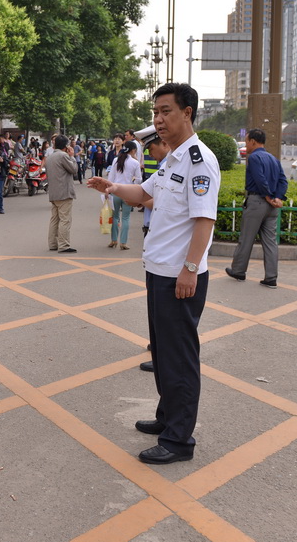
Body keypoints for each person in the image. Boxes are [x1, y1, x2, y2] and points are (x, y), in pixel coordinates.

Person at [87, 82, 220, 464]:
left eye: (166, 112)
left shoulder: (198, 161)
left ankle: (179, 441)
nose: (158, 120)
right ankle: (167, 417)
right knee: (162, 353)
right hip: (159, 271)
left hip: (180, 276)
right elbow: (145, 194)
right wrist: (113, 187)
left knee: (179, 358)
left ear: (187, 113)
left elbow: (204, 220)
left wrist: (190, 269)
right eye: (155, 113)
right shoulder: (172, 160)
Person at [225, 128, 287, 289]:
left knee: (246, 238)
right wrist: (277, 198)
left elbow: (259, 179)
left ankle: (238, 271)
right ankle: (271, 278)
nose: (246, 145)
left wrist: (267, 195)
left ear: (253, 141)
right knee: (270, 242)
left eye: (246, 141)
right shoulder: (274, 159)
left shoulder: (253, 157)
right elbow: (283, 180)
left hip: (256, 202)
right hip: (272, 207)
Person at [133, 125, 170, 374]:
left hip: (168, 254)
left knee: (164, 311)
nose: (150, 154)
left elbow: (160, 203)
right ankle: (158, 350)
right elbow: (145, 194)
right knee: (156, 308)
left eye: (152, 148)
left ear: (163, 143)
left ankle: (163, 357)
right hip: (156, 247)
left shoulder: (176, 166)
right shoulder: (165, 167)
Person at [107, 141, 142, 250]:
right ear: (133, 150)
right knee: (126, 218)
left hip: (116, 191)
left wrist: (108, 191)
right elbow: (139, 179)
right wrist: (133, 184)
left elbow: (111, 177)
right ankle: (123, 242)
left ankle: (113, 240)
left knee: (115, 216)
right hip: (128, 193)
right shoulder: (135, 163)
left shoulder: (116, 160)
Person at [47, 135, 78, 253]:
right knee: (65, 219)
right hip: (64, 192)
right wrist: (72, 156)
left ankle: (53, 244)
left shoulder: (50, 156)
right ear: (66, 146)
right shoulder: (63, 156)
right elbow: (74, 169)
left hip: (53, 192)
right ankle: (64, 245)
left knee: (54, 219)